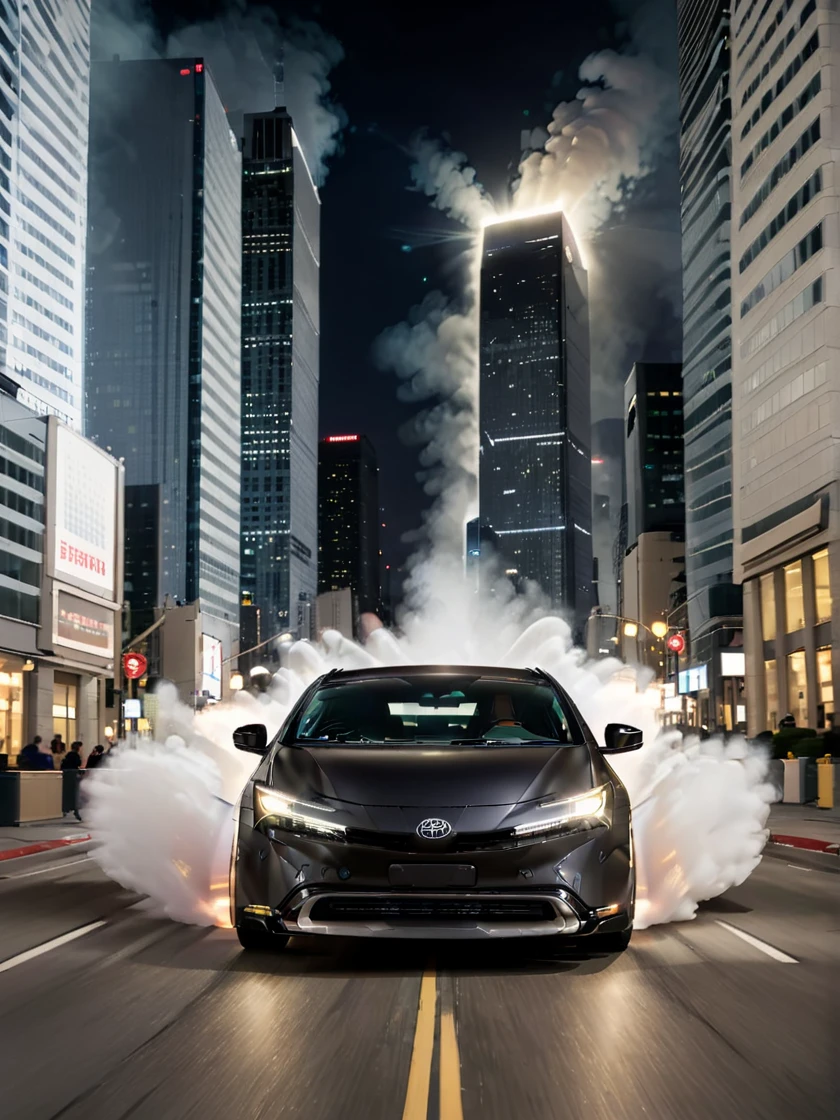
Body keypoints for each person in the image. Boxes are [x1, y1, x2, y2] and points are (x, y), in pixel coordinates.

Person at [61, 742, 83, 820]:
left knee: (67, 793)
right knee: (75, 794)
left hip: (67, 776)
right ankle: (75, 810)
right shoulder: (75, 755)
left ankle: (66, 809)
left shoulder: (68, 755)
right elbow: (78, 763)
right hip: (73, 776)